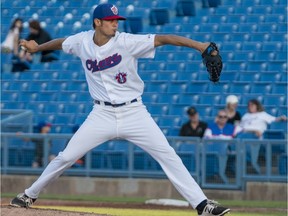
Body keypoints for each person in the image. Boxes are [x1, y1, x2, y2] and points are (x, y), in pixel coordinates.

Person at [10, 4, 230, 216]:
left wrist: (199, 45)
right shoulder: (82, 41)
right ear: (97, 22)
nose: (115, 24)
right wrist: (38, 47)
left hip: (134, 112)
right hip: (101, 115)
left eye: (117, 20)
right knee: (66, 156)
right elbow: (62, 42)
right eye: (111, 21)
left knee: (168, 155)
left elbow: (164, 39)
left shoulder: (126, 41)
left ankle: (202, 205)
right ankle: (29, 195)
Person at [237, 99, 287, 173]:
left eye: (252, 105)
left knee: (247, 151)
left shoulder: (262, 114)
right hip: (244, 135)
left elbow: (274, 119)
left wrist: (282, 118)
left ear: (257, 106)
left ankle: (252, 167)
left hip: (255, 137)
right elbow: (239, 127)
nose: (250, 107)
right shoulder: (246, 115)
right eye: (249, 105)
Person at [203, 109, 242, 183]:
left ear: (227, 118)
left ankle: (220, 173)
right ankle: (216, 173)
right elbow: (206, 139)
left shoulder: (232, 127)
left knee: (223, 146)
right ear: (217, 117)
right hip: (213, 149)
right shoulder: (211, 127)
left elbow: (243, 131)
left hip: (228, 149)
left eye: (225, 117)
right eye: (220, 117)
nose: (222, 118)